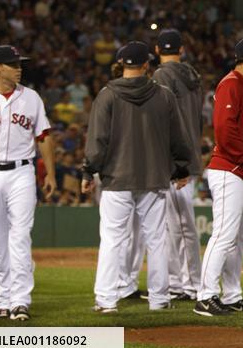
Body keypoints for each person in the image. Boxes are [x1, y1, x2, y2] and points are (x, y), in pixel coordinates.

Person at [82, 41, 194, 313]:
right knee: (156, 240)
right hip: (154, 178)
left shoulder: (107, 95)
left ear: (121, 65)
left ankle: (107, 300)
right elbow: (178, 139)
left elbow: (97, 140)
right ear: (146, 64)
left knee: (112, 240)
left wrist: (88, 170)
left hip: (117, 179)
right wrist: (181, 168)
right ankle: (159, 300)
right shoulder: (164, 95)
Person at [0, 45, 57, 320]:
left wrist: (49, 173)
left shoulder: (31, 98)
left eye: (20, 64)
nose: (19, 68)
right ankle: (4, 299)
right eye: (13, 64)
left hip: (22, 173)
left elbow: (44, 136)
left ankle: (20, 300)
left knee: (20, 235)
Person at [195, 35, 243, 316]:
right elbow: (224, 131)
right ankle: (205, 295)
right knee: (224, 234)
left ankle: (232, 295)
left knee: (239, 238)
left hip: (241, 171)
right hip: (229, 169)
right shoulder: (230, 84)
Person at [152, 29, 204, 301]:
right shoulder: (194, 76)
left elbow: (165, 121)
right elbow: (197, 121)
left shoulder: (161, 76)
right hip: (189, 154)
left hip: (175, 161)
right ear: (181, 50)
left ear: (157, 50)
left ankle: (190, 285)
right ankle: (179, 283)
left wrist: (176, 162)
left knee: (181, 226)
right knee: (178, 225)